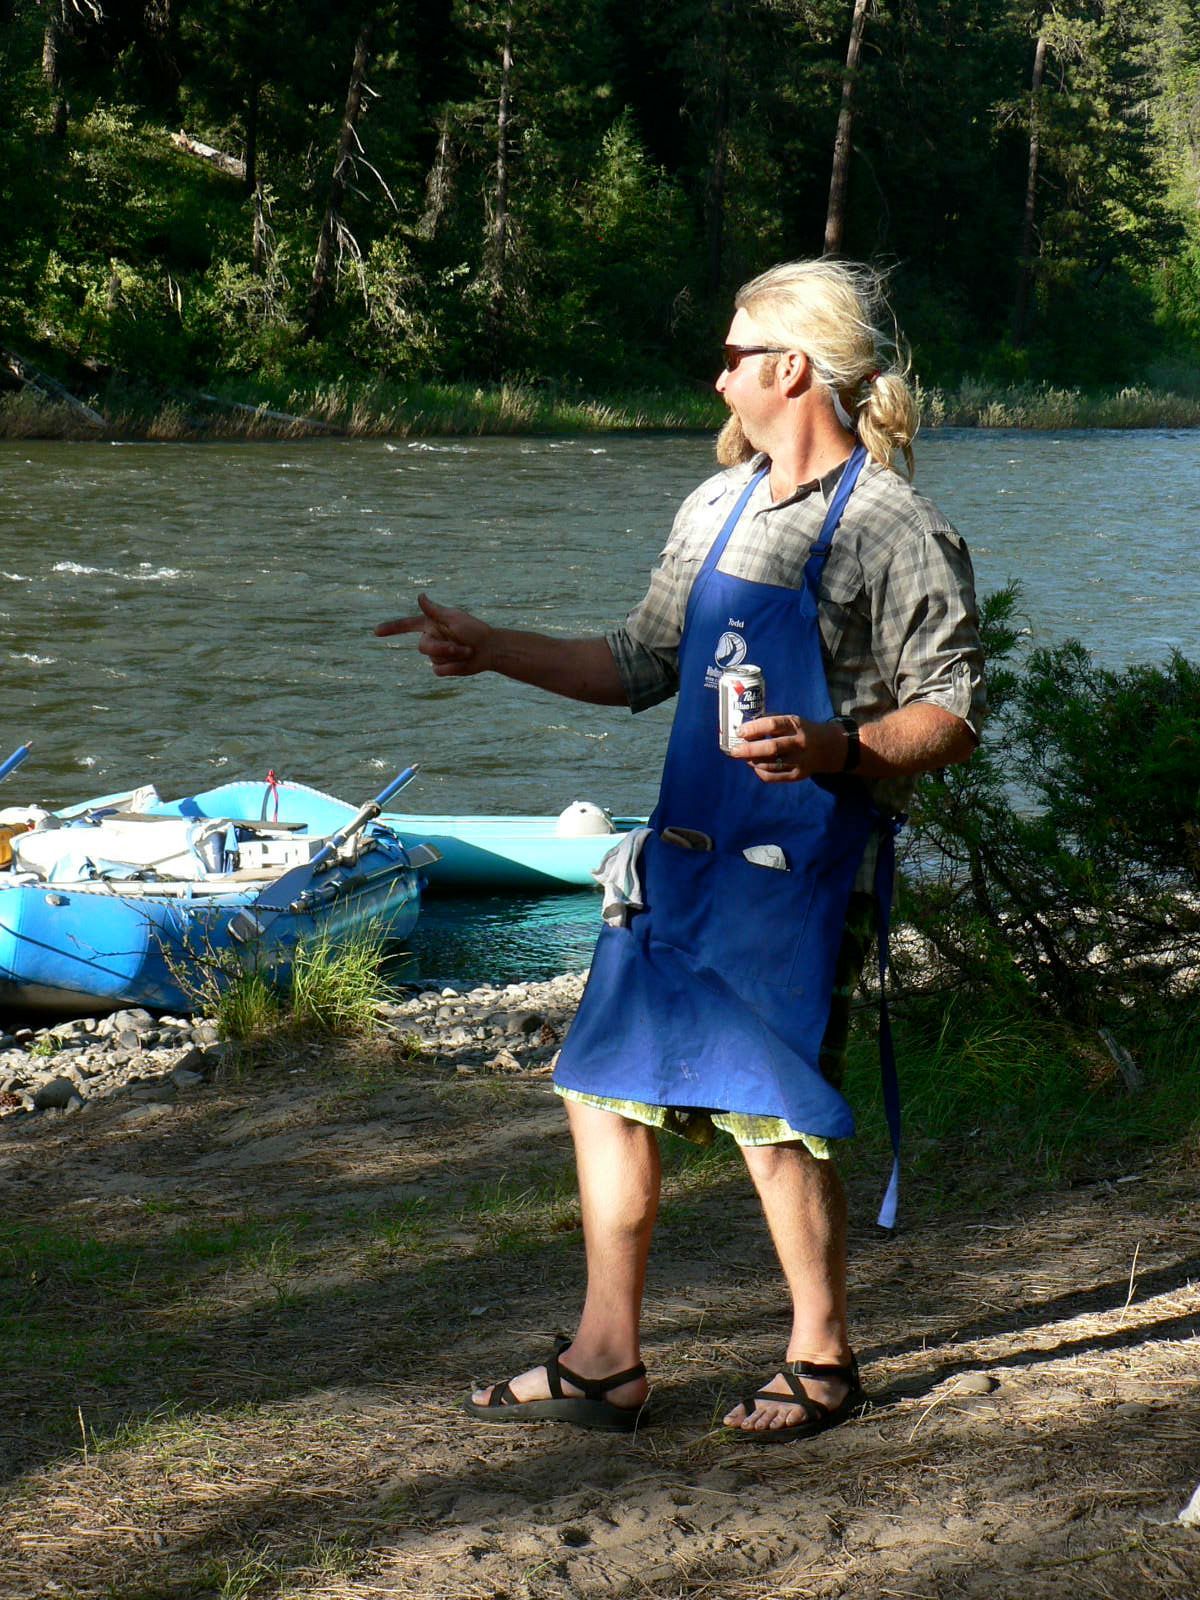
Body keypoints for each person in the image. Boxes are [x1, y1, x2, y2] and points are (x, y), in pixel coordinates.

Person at [375, 258, 985, 1441]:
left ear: (792, 368)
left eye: (733, 351)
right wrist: (493, 645)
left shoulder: (892, 526)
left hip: (802, 872)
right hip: (680, 857)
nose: (717, 373)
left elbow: (951, 711)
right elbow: (639, 663)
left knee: (774, 1114)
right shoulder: (716, 506)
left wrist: (837, 745)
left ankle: (823, 1355)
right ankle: (605, 1359)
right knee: (600, 1086)